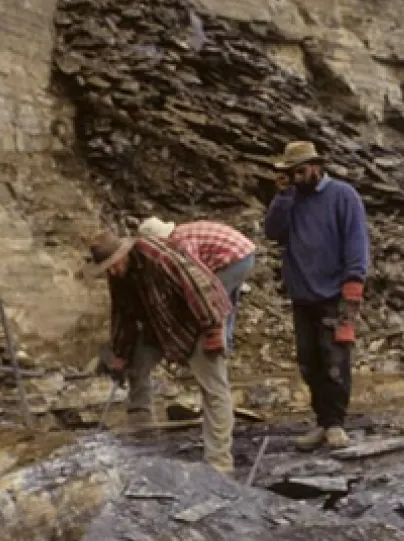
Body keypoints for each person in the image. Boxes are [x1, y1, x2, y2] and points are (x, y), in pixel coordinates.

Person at [85, 229, 236, 473]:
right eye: (107, 269)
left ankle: (219, 463)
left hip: (196, 321)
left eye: (114, 265)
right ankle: (143, 440)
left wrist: (212, 329)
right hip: (160, 324)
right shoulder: (118, 275)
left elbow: (199, 287)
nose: (111, 272)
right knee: (136, 368)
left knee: (214, 389)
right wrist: (121, 352)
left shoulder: (159, 257)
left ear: (125, 253)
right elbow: (122, 314)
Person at [262, 141, 370, 451]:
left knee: (334, 359)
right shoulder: (291, 199)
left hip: (334, 291)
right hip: (302, 293)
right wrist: (282, 196)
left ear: (315, 167)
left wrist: (354, 283)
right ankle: (322, 422)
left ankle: (335, 424)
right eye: (289, 172)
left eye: (298, 171)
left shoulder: (342, 195)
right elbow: (272, 231)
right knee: (309, 361)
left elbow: (356, 239)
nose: (295, 177)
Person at [136, 217, 256, 354]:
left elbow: (194, 273)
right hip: (244, 253)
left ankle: (215, 347)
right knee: (228, 301)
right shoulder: (183, 232)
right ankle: (226, 343)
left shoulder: (179, 241)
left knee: (214, 302)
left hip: (235, 259)